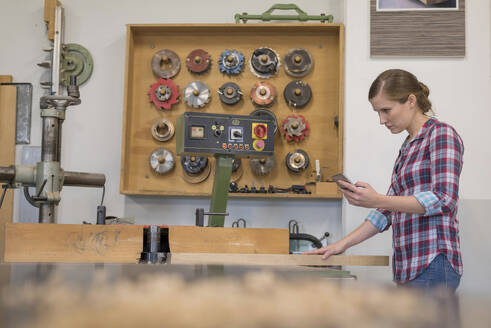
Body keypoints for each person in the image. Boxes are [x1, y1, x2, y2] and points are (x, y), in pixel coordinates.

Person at [305, 69, 464, 292]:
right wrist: (341, 245)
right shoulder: (408, 146)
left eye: (386, 110)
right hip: (408, 267)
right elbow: (385, 211)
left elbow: (444, 199)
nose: (381, 120)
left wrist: (378, 199)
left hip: (432, 263)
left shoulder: (441, 135)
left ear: (411, 101)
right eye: (377, 112)